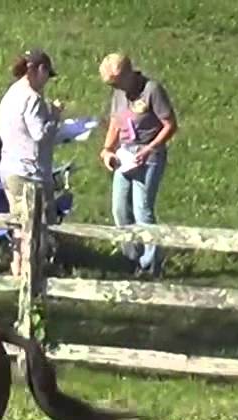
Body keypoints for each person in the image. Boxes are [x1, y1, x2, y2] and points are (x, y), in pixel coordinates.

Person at [98, 52, 179, 278]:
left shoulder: (151, 90)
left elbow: (170, 125)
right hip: (125, 156)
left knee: (142, 209)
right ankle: (131, 258)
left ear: (127, 74)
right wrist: (107, 150)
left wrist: (150, 148)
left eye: (116, 82)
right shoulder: (119, 94)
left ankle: (151, 264)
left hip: (149, 156)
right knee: (120, 210)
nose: (115, 88)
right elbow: (116, 122)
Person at [0, 48, 62, 278]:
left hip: (9, 167)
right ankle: (31, 274)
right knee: (36, 227)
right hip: (30, 172)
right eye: (47, 74)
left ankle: (18, 268)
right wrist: (55, 117)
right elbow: (39, 134)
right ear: (40, 70)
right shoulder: (33, 99)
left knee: (19, 225)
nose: (47, 81)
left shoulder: (11, 93)